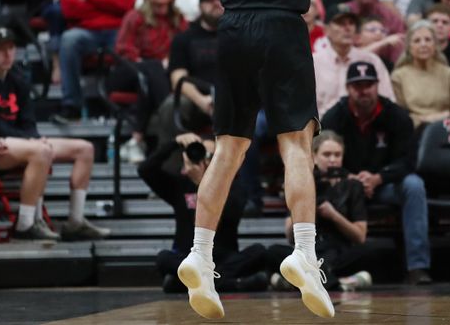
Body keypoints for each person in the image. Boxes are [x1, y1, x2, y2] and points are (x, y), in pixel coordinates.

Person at [175, 0, 374, 320]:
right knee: (296, 145)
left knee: (228, 149)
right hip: (280, 28)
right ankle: (305, 254)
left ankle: (200, 254)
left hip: (233, 28)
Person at [0, 26, 110, 240]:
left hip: (18, 141)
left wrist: (34, 138)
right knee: (41, 151)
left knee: (84, 149)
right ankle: (25, 224)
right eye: (0, 49)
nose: (8, 54)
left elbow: (28, 120)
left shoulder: (18, 78)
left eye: (11, 48)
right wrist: (32, 142)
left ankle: (75, 221)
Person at [321, 61, 432, 285]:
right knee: (321, 187)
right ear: (348, 88)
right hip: (346, 185)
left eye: (368, 84)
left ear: (377, 86)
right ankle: (329, 263)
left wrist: (379, 178)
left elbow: (409, 161)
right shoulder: (334, 116)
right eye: (357, 85)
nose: (363, 90)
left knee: (414, 185)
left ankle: (418, 266)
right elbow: (322, 157)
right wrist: (350, 178)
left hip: (385, 184)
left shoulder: (397, 116)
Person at [138, 133, 267, 294]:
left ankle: (189, 283)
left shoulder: (233, 185)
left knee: (259, 251)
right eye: (200, 152)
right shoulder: (180, 185)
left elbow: (229, 215)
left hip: (224, 257)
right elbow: (145, 170)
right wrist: (175, 142)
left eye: (212, 156)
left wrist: (202, 184)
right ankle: (231, 284)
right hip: (189, 257)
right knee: (164, 257)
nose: (205, 159)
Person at [268, 130, 374, 291]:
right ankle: (339, 283)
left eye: (337, 155)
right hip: (310, 249)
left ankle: (299, 282)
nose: (332, 160)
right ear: (315, 157)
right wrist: (306, 207)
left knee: (369, 251)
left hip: (339, 251)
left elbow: (360, 236)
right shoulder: (304, 182)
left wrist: (334, 216)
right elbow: (290, 236)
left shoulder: (352, 185)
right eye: (327, 154)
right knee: (271, 252)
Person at [58, 0, 136, 121]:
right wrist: (111, 4)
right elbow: (70, 9)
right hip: (86, 32)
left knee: (134, 39)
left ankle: (130, 106)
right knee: (69, 39)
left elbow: (126, 4)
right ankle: (72, 105)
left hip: (117, 31)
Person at [112, 0, 188, 162]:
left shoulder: (179, 19)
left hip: (160, 76)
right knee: (151, 69)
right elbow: (122, 48)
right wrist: (144, 62)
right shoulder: (136, 16)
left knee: (150, 80)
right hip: (128, 70)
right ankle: (169, 115)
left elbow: (187, 47)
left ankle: (136, 138)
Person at [155, 0, 223, 146]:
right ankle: (173, 168)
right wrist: (203, 102)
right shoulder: (184, 38)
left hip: (233, 97)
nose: (215, 3)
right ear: (200, 6)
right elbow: (178, 78)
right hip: (198, 98)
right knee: (171, 106)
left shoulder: (239, 35)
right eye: (209, 0)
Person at [313, 6, 394, 115]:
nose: (347, 28)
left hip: (363, 126)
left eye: (351, 23)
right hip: (323, 128)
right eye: (341, 23)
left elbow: (388, 100)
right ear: (326, 30)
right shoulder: (313, 63)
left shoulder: (371, 61)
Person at [391, 19, 450, 129]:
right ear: (409, 47)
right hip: (412, 132)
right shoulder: (398, 76)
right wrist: (426, 120)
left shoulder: (449, 74)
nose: (423, 44)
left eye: (428, 40)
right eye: (417, 41)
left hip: (446, 131)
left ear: (435, 45)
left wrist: (443, 120)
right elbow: (398, 116)